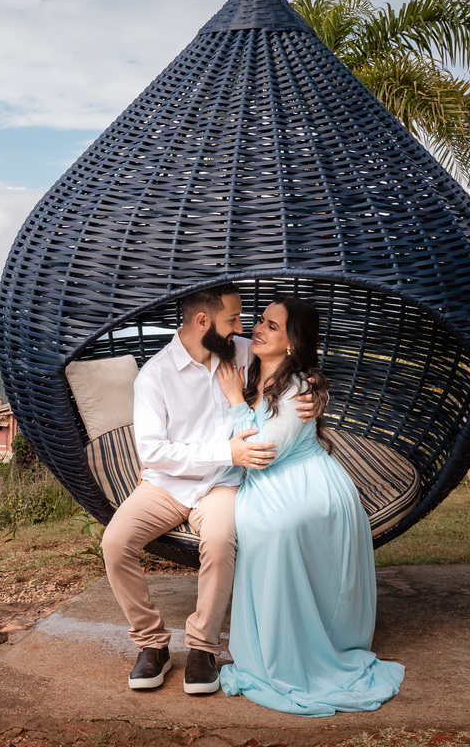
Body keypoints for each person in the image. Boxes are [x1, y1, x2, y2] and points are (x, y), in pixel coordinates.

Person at [102, 283, 322, 694]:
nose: (242, 328)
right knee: (115, 541)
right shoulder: (155, 376)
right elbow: (153, 452)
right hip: (166, 485)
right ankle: (152, 644)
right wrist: (224, 451)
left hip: (222, 485)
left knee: (220, 541)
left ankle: (203, 646)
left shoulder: (241, 353)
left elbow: (289, 371)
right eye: (233, 320)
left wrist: (315, 388)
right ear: (203, 322)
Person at [215, 296, 404, 716]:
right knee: (258, 524)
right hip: (267, 480)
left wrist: (234, 402)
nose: (258, 329)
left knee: (273, 528)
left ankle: (308, 644)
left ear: (293, 345)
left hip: (306, 482)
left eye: (272, 326)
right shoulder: (247, 359)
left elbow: (264, 452)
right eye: (260, 320)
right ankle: (273, 637)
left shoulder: (300, 387)